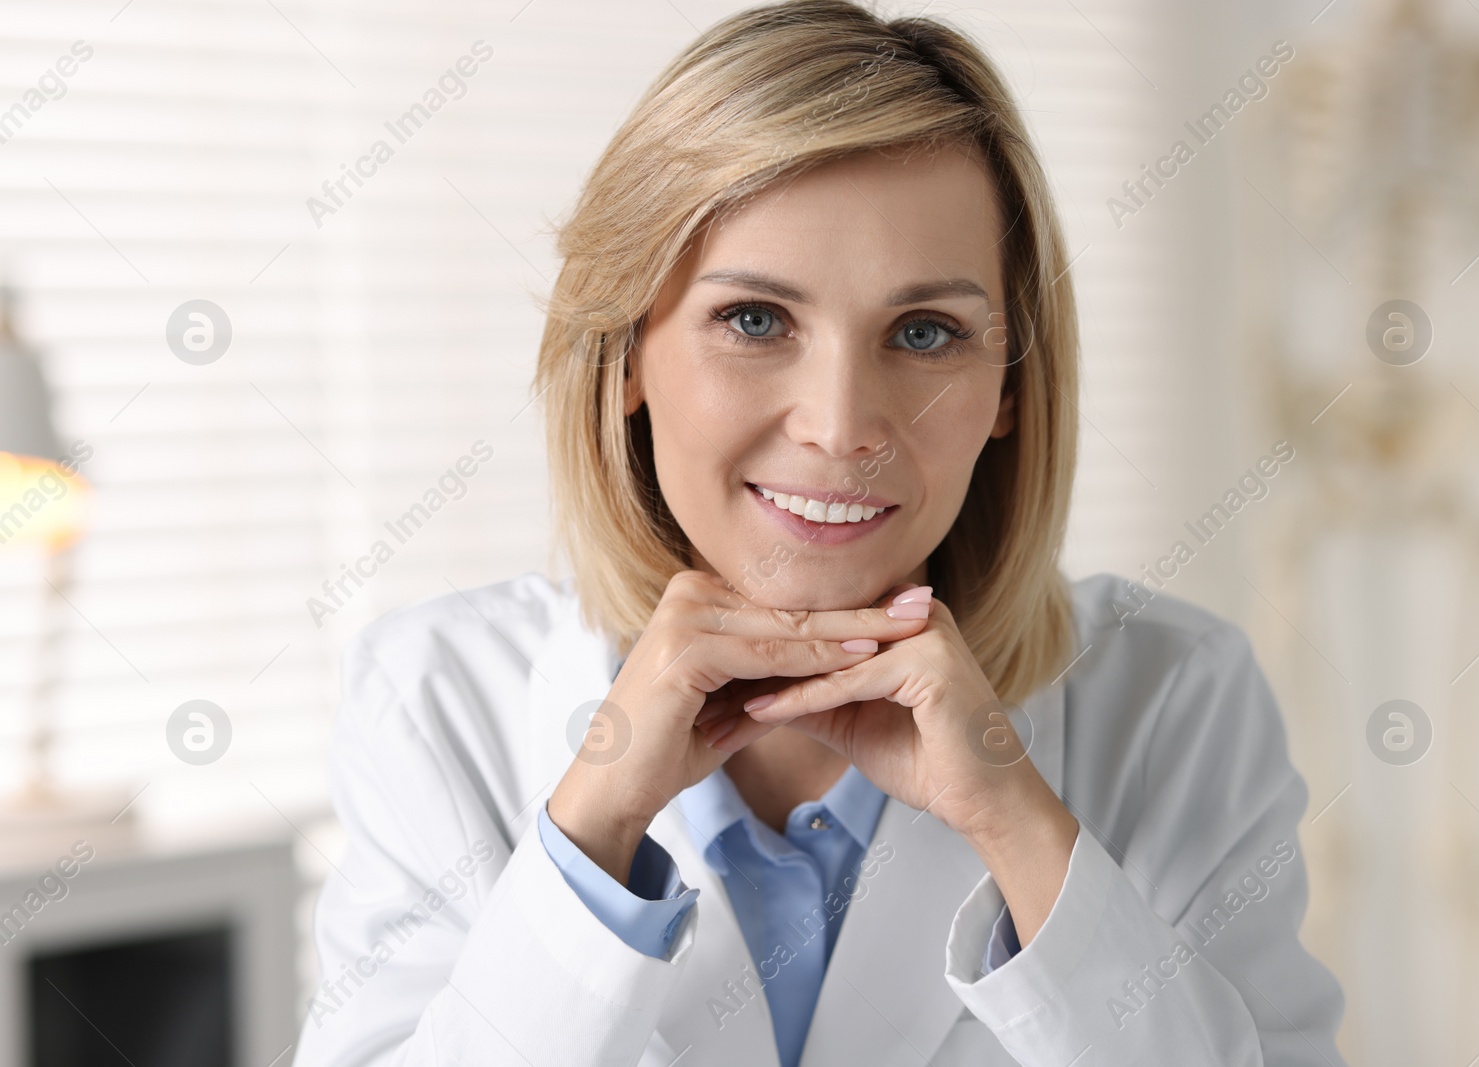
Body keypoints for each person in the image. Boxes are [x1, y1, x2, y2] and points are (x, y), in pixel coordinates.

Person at [292, 2, 1346, 1064]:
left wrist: (1020, 825)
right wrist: (596, 822)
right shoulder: (436, 696)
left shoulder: (1175, 698)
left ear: (1009, 388)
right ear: (621, 358)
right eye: (754, 320)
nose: (841, 427)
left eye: (924, 332)